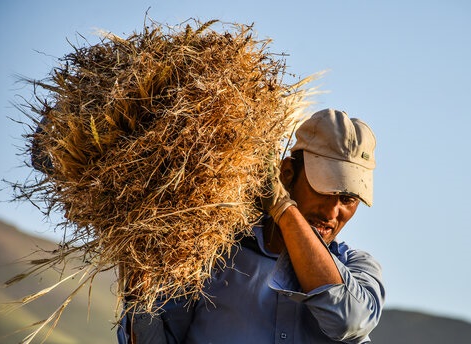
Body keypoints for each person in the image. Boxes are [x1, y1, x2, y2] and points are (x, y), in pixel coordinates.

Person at [117, 108, 385, 343]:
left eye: (348, 199)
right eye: (323, 190)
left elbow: (348, 321)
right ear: (287, 174)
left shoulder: (359, 271)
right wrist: (140, 296)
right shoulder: (213, 256)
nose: (331, 211)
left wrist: (282, 207)